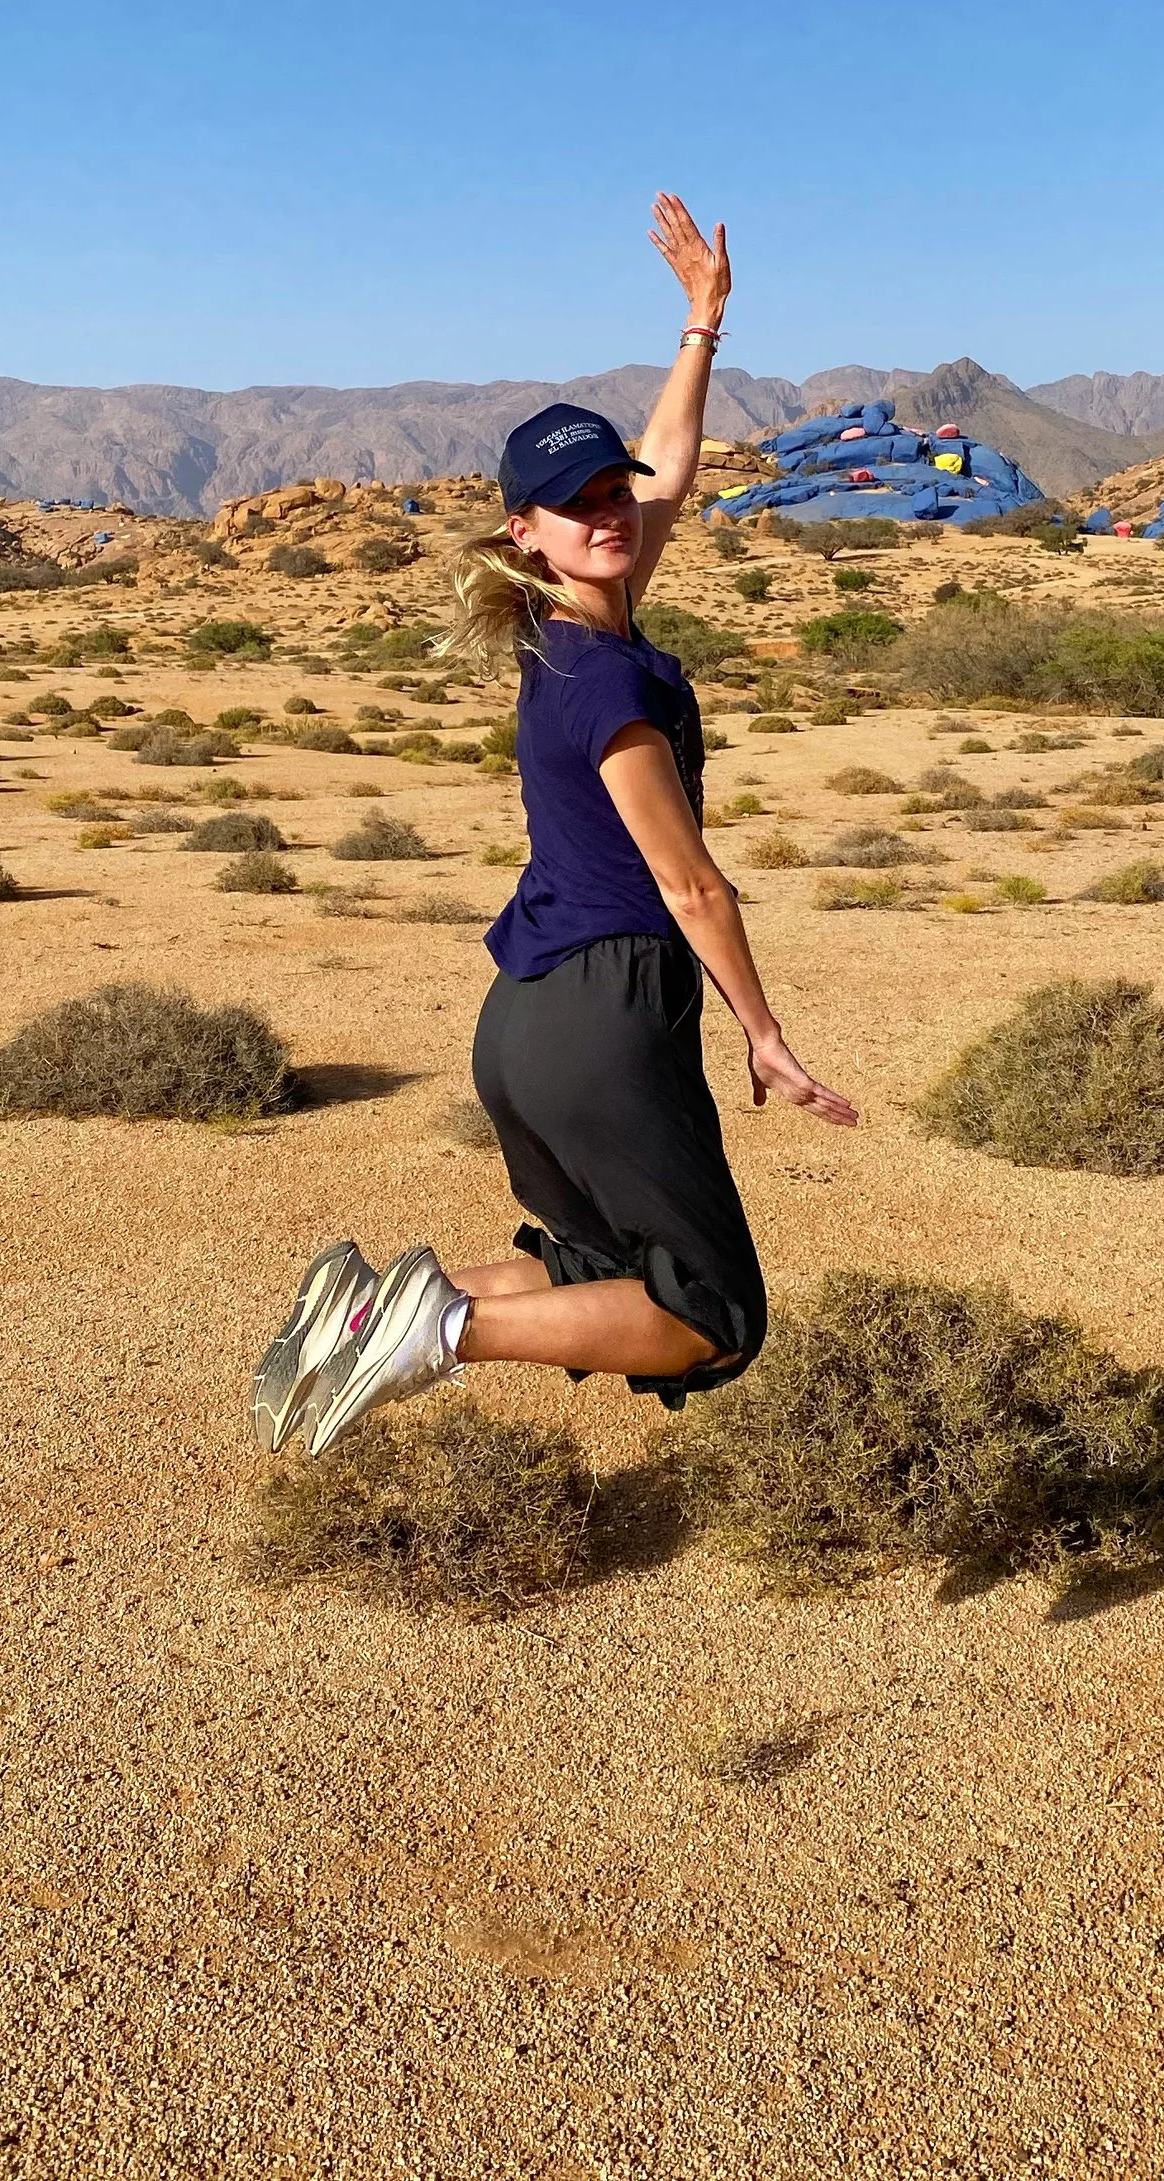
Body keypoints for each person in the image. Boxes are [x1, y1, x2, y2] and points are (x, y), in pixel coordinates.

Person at [253, 193, 857, 1462]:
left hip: (526, 1017)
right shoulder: (608, 682)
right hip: (607, 1010)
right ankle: (432, 1326)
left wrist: (701, 323)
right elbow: (692, 886)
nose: (609, 510)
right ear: (523, 534)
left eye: (611, 490)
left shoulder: (566, 631)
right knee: (711, 1315)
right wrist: (764, 1034)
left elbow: (667, 466)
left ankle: (362, 1310)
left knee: (592, 1261)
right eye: (574, 503)